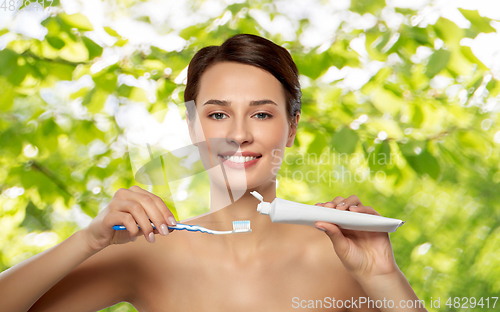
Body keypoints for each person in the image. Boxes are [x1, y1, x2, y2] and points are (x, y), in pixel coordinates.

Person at [0, 34, 427, 312]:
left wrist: (382, 277)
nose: (238, 134)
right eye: (218, 113)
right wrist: (86, 240)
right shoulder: (148, 252)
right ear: (192, 127)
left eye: (261, 114)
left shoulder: (341, 254)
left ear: (292, 128)